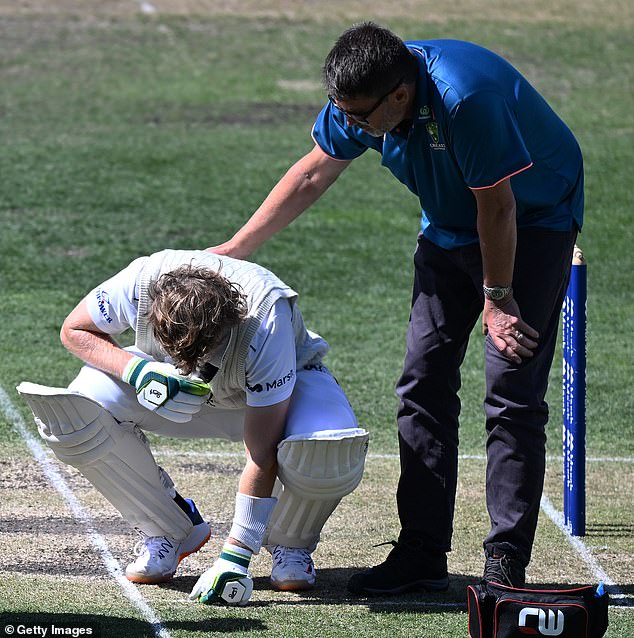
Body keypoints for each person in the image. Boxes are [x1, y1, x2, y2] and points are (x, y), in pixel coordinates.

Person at [208, 22, 584, 594]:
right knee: (422, 382)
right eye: (344, 111)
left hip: (530, 225)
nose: (351, 124)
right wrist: (232, 251)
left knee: (511, 392)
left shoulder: (466, 100)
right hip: (450, 225)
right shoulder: (364, 96)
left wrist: (499, 298)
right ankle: (422, 553)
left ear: (400, 97)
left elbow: (499, 208)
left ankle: (505, 565)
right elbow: (312, 172)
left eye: (359, 115)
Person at [17, 249, 368, 605]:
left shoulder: (265, 322)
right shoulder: (138, 284)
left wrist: (236, 555)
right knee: (74, 415)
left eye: (202, 351)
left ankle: (291, 543)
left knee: (327, 450)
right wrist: (138, 371)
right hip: (174, 392)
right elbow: (74, 329)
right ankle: (168, 530)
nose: (189, 362)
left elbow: (262, 453)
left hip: (280, 394)